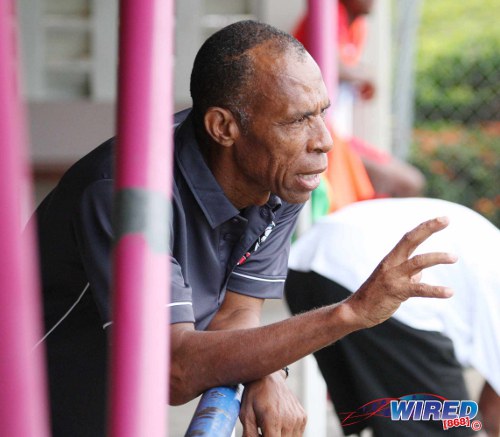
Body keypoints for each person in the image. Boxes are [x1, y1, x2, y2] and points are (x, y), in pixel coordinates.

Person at [32, 21, 459, 437]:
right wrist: (350, 312)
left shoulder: (278, 178)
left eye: (322, 113)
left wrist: (265, 371)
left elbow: (236, 311)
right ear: (224, 128)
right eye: (297, 120)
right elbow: (173, 370)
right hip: (25, 401)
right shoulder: (126, 193)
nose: (324, 140)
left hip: (111, 408)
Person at [285, 197, 500, 437]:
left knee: (377, 419)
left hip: (308, 260)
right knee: (448, 428)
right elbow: (494, 413)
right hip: (363, 271)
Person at [294, 0, 426, 200]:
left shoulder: (357, 24)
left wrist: (362, 75)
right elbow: (323, 63)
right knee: (405, 183)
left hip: (338, 137)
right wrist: (365, 75)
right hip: (315, 138)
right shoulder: (327, 13)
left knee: (410, 183)